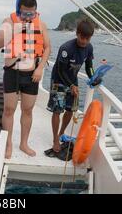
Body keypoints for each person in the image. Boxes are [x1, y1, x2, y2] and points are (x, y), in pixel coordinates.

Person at [0, 0, 51, 159]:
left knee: (27, 110)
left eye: (31, 14)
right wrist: (13, 30)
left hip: (31, 75)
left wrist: (40, 68)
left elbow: (47, 48)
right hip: (12, 72)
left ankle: (24, 143)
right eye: (24, 14)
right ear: (19, 11)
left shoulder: (41, 25)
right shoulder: (9, 22)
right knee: (9, 110)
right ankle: (8, 145)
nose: (28, 17)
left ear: (35, 12)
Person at [45, 19, 97, 157]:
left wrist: (93, 76)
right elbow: (61, 71)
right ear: (77, 33)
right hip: (59, 81)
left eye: (88, 38)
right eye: (82, 37)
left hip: (72, 81)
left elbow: (89, 66)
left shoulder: (89, 48)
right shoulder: (66, 48)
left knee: (70, 109)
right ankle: (55, 138)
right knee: (57, 110)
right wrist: (71, 85)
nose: (84, 41)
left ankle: (62, 132)